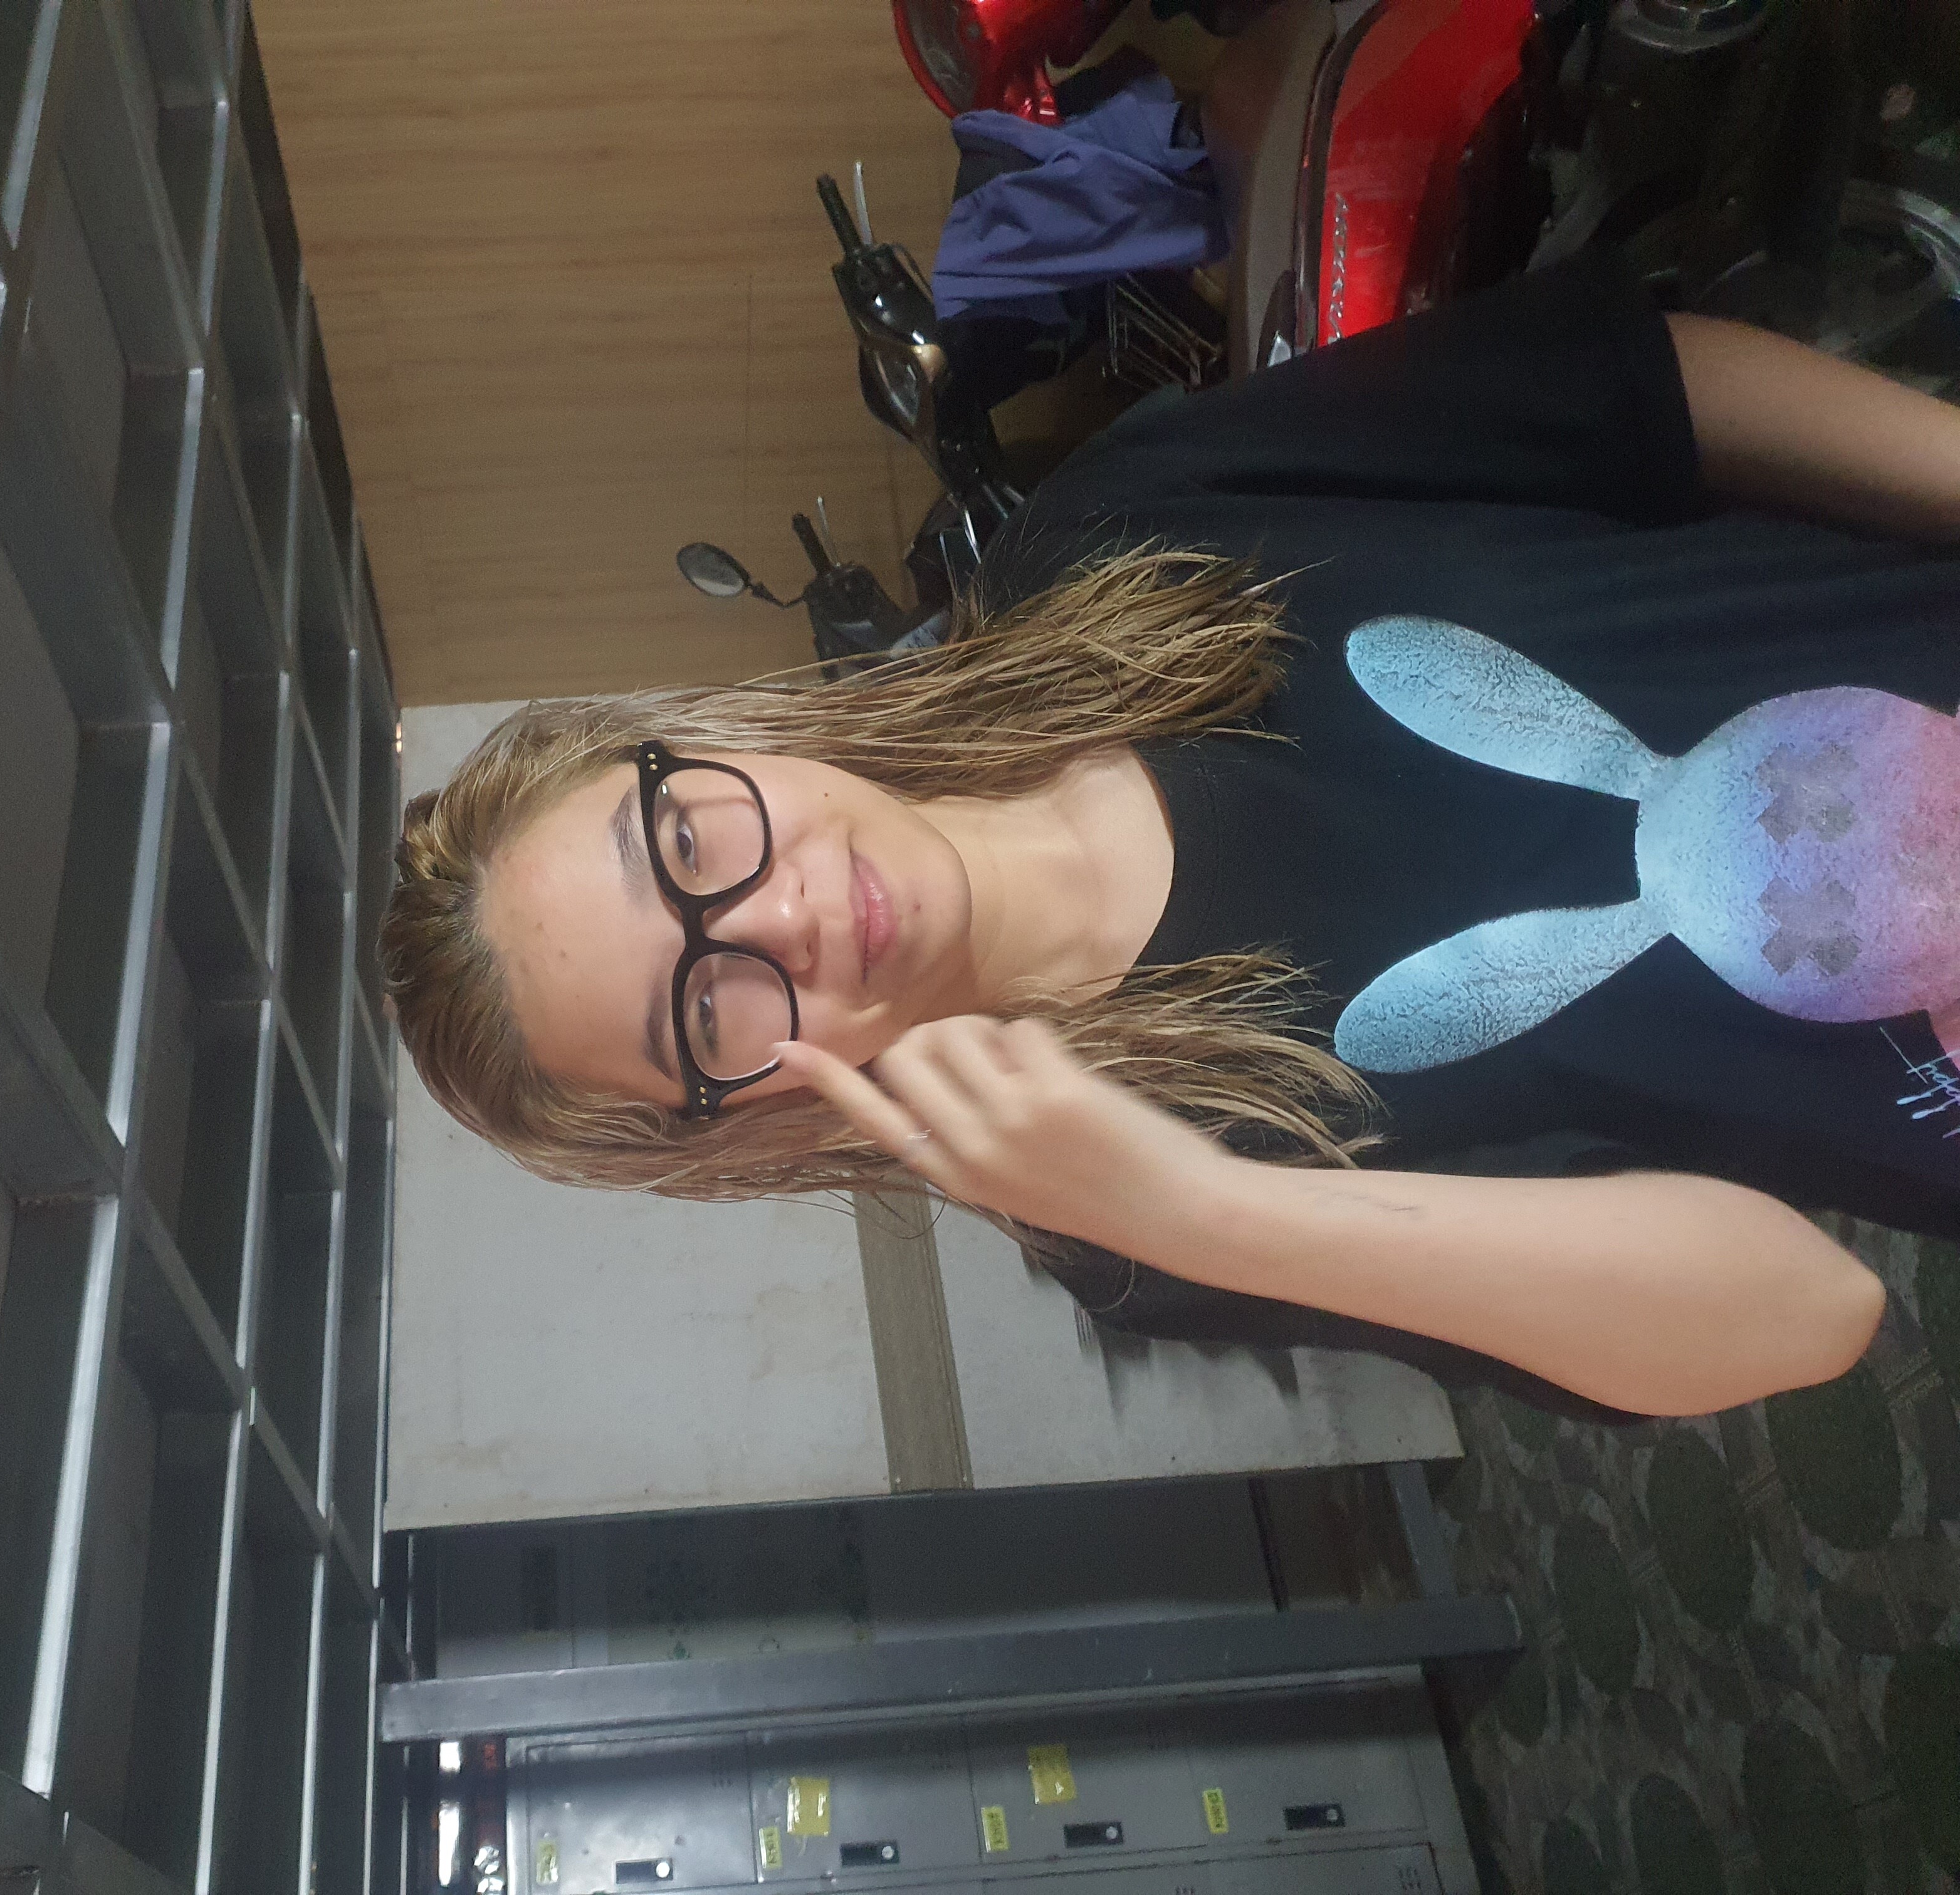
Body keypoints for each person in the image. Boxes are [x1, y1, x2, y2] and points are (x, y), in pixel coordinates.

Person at [382, 253, 1959, 1425]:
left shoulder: (1124, 527)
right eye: (705, 1010)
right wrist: (1199, 1213)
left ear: (714, 747)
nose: (770, 919)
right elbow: (1799, 1311)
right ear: (733, 1123)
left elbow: (1632, 394)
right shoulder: (1131, 1221)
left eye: (684, 845)